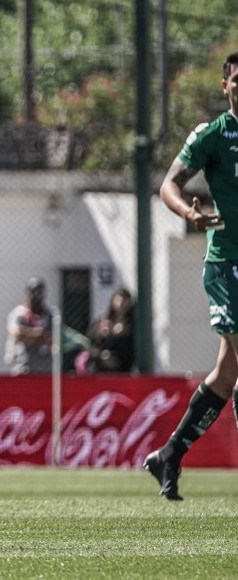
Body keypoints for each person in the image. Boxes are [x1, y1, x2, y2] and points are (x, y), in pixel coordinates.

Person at [145, 52, 238, 501]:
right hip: (227, 262)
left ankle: (169, 455)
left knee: (228, 370)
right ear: (225, 87)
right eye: (237, 81)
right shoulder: (214, 134)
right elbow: (169, 183)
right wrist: (187, 212)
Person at [77, 288, 135, 374]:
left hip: (123, 370)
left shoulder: (132, 325)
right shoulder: (102, 322)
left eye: (125, 301)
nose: (122, 304)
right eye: (119, 300)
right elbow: (89, 344)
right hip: (99, 368)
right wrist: (101, 355)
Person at [4, 277, 55, 375]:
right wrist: (39, 334)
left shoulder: (50, 314)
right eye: (33, 294)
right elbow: (16, 334)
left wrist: (27, 335)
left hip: (44, 368)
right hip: (21, 366)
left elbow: (51, 338)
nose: (36, 299)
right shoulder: (18, 313)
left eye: (39, 294)